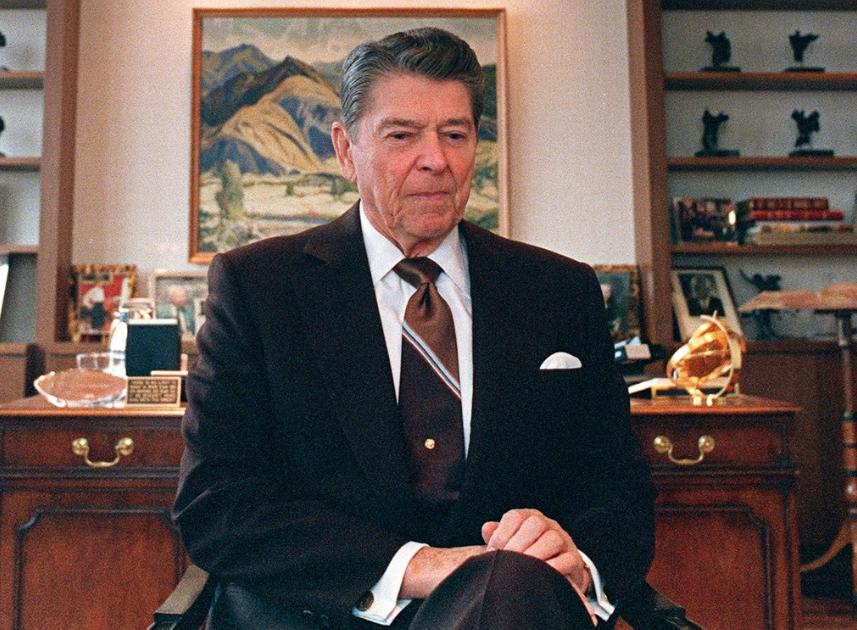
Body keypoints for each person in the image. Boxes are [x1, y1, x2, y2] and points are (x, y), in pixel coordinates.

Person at [174, 27, 655, 630]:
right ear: (345, 149)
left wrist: (577, 560)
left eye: (455, 134)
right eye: (402, 135)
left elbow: (616, 486)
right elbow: (217, 503)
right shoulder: (259, 288)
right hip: (324, 612)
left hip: (515, 609)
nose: (435, 158)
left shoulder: (559, 290)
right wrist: (418, 566)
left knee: (506, 592)